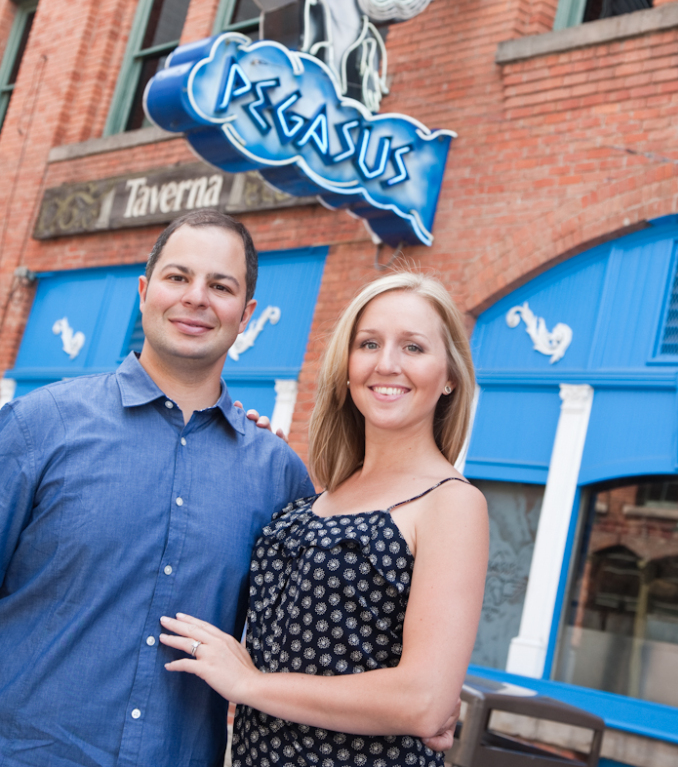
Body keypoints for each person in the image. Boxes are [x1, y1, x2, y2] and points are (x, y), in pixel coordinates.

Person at [0, 209, 315, 767]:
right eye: (178, 277)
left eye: (220, 286)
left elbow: (298, 649)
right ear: (145, 291)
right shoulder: (38, 425)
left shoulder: (278, 475)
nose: (196, 298)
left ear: (245, 315)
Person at [159, 271, 489, 767]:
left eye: (414, 347)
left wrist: (250, 684)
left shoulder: (451, 502)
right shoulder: (318, 498)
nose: (387, 363)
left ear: (450, 378)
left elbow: (424, 702)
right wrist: (250, 458)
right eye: (369, 343)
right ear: (347, 365)